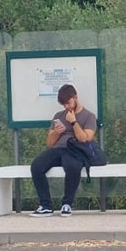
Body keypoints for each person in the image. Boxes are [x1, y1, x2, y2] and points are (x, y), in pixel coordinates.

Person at [29, 83, 97, 217]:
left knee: (73, 167)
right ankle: (45, 205)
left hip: (75, 150)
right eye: (64, 105)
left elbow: (85, 139)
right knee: (37, 166)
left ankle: (67, 204)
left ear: (75, 97)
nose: (67, 107)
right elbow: (49, 143)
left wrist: (73, 122)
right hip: (58, 149)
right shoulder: (59, 115)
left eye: (68, 103)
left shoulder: (89, 116)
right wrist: (56, 132)